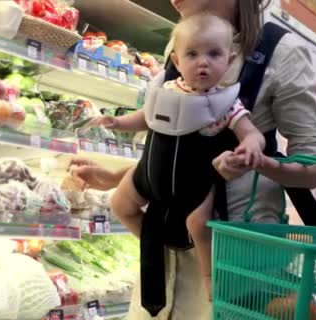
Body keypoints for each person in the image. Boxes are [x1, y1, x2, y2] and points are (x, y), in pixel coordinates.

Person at [69, 0, 316, 318]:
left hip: (234, 271)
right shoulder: (178, 43)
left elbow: (314, 169)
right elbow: (177, 147)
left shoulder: (279, 50)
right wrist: (115, 177)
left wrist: (260, 162)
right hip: (158, 265)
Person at [92, 12, 266, 301]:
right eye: (192, 54)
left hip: (195, 182)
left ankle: (209, 276)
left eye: (214, 54)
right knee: (120, 204)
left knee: (199, 224)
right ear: (176, 61)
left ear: (230, 60)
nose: (203, 62)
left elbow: (252, 132)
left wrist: (250, 144)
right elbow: (146, 118)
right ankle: (152, 244)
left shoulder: (226, 105)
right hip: (148, 175)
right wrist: (118, 123)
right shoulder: (167, 91)